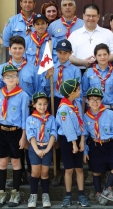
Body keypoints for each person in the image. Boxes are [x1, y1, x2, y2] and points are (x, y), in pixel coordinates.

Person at [0, 35, 40, 188]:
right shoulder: (3, 68)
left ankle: (31, 174)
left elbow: (37, 90)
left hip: (29, 111)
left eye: (20, 48)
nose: (17, 51)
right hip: (10, 112)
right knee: (16, 149)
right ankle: (20, 176)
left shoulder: (31, 68)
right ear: (10, 50)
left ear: (24, 50)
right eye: (14, 48)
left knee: (28, 143)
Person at [0, 65, 29, 208]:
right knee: (2, 162)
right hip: (1, 131)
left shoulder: (23, 95)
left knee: (16, 162)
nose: (11, 78)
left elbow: (25, 119)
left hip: (16, 132)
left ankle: (15, 193)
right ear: (3, 79)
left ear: (17, 78)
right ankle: (1, 192)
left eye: (13, 76)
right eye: (8, 76)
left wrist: (23, 137)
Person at [42, 39, 81, 186]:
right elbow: (45, 89)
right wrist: (47, 77)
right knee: (55, 136)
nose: (62, 55)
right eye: (59, 52)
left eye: (65, 53)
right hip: (54, 101)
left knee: (68, 136)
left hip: (69, 104)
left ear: (70, 53)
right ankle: (56, 171)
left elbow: (78, 91)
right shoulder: (51, 67)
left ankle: (68, 169)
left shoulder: (75, 70)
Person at [83, 87, 113, 206]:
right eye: (92, 100)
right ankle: (98, 193)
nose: (95, 102)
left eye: (97, 99)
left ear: (101, 100)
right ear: (87, 101)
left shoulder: (109, 113)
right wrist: (85, 151)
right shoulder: (85, 117)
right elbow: (84, 136)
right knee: (96, 172)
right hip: (95, 144)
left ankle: (107, 189)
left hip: (110, 143)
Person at [56, 79, 90, 207]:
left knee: (79, 168)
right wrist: (74, 144)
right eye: (78, 89)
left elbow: (81, 123)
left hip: (78, 139)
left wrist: (82, 140)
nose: (80, 91)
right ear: (71, 93)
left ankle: (81, 194)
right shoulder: (64, 108)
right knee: (69, 169)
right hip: (67, 141)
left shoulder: (76, 104)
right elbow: (68, 127)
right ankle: (68, 195)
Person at [26, 92, 57, 208]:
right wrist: (37, 150)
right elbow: (31, 135)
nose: (42, 107)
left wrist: (48, 148)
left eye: (45, 104)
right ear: (34, 104)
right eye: (39, 104)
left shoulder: (51, 118)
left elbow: (53, 133)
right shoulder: (30, 119)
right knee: (35, 173)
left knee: (44, 173)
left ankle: (45, 195)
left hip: (47, 147)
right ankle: (33, 196)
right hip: (35, 148)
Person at [68, 3, 113, 73]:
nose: (91, 18)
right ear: (83, 16)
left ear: (98, 17)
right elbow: (68, 55)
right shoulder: (74, 35)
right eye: (88, 15)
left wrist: (99, 61)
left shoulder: (107, 33)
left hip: (102, 71)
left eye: (94, 16)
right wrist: (83, 62)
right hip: (78, 71)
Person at [82, 43, 113, 123]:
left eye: (105, 54)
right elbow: (84, 94)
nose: (102, 57)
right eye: (99, 55)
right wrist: (83, 112)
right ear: (95, 56)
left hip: (111, 109)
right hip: (92, 109)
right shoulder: (89, 72)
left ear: (109, 55)